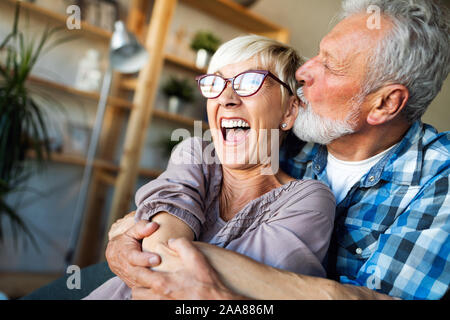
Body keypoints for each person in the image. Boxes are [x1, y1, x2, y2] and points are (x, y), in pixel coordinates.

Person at [105, 0, 450, 300]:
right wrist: (126, 237)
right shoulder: (285, 140)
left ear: (385, 103)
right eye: (316, 54)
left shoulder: (439, 180)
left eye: (330, 65)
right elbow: (175, 196)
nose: (303, 71)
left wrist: (148, 239)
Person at [84, 35, 336, 299]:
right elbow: (162, 256)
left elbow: (260, 290)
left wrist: (134, 231)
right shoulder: (195, 153)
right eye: (215, 83)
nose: (226, 98)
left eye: (250, 82)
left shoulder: (309, 200)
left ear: (289, 111)